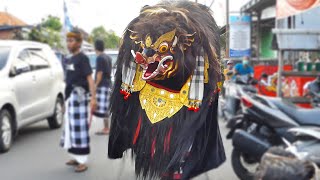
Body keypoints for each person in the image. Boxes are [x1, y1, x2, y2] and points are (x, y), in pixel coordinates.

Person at [108, 2, 226, 179]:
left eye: (161, 49)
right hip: (149, 105)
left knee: (179, 152)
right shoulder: (144, 58)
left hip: (183, 107)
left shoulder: (196, 57)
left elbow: (206, 85)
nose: (149, 56)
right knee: (157, 152)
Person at [60, 29, 96, 173]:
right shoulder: (69, 59)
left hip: (80, 98)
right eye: (68, 40)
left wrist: (93, 98)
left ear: (79, 43)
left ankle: (82, 161)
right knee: (71, 128)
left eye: (72, 40)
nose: (69, 43)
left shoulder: (83, 58)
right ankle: (75, 156)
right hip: (70, 98)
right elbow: (68, 81)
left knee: (80, 129)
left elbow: (89, 78)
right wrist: (64, 101)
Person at [93, 39, 112, 135]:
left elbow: (100, 73)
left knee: (104, 108)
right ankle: (106, 127)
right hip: (108, 84)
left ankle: (106, 128)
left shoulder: (100, 58)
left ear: (95, 47)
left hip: (102, 85)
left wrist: (95, 85)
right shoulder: (108, 57)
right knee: (106, 107)